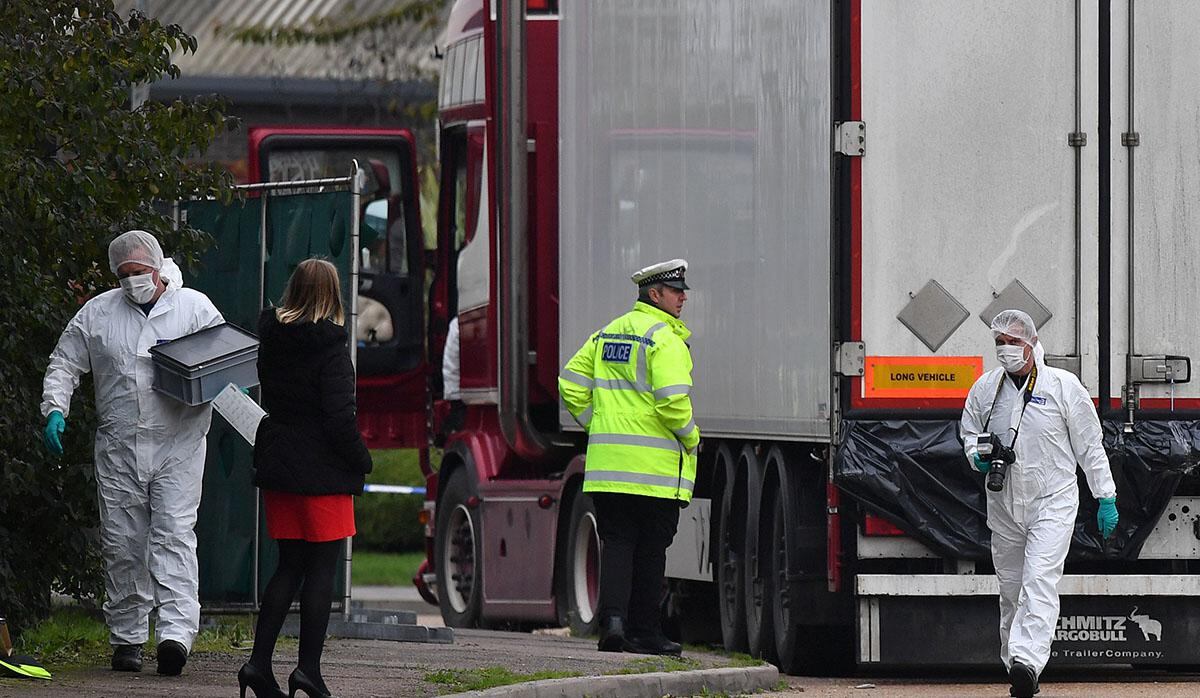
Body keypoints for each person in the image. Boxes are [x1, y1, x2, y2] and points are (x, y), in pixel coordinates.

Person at [41, 230, 223, 675]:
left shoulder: (194, 309)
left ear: (157, 269)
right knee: (123, 542)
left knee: (174, 535)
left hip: (178, 443)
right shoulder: (98, 314)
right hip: (120, 447)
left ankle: (176, 636)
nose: (131, 282)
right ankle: (127, 637)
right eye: (123, 275)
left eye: (138, 273)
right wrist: (54, 408)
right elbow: (65, 361)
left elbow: (225, 360)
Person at [960, 309, 1118, 698]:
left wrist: (1105, 495)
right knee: (1011, 589)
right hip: (1004, 503)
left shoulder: (1063, 387)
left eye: (1013, 342)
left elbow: (1089, 446)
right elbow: (968, 432)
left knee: (1038, 582)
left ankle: (1028, 662)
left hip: (1053, 501)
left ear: (1031, 344)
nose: (1006, 350)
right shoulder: (986, 389)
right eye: (1000, 343)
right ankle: (1014, 663)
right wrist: (975, 454)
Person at [238, 259, 373, 698]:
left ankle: (258, 665)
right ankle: (308, 671)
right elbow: (339, 421)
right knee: (321, 572)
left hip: (280, 462)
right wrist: (363, 460)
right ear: (333, 296)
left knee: (288, 567)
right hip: (323, 472)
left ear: (293, 290)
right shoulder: (332, 352)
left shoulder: (272, 343)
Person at [558, 258, 700, 657]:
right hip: (652, 473)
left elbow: (569, 383)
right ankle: (645, 632)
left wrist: (597, 425)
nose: (683, 297)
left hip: (608, 469)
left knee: (617, 545)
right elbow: (673, 402)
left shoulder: (607, 334)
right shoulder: (665, 338)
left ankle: (614, 625)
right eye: (676, 291)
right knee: (652, 551)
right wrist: (691, 437)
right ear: (654, 295)